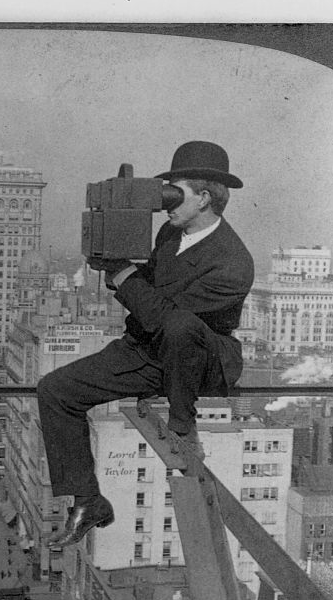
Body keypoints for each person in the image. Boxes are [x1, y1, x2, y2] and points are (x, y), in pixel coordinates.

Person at [37, 141, 254, 549]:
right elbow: (152, 305)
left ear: (205, 197)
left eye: (175, 191)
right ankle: (88, 501)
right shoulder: (171, 232)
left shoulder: (232, 261)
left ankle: (182, 425)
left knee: (178, 329)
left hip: (198, 359)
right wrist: (113, 257)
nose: (166, 200)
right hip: (150, 347)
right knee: (55, 390)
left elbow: (171, 320)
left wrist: (121, 274)